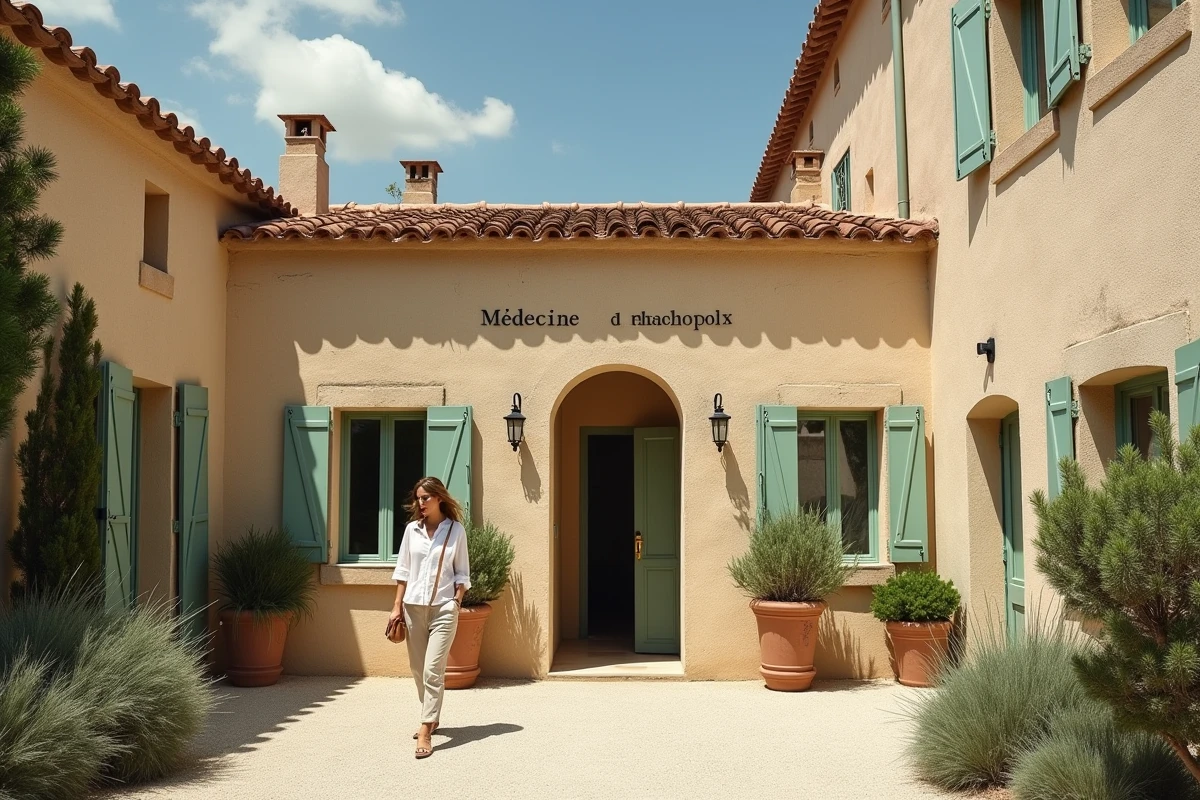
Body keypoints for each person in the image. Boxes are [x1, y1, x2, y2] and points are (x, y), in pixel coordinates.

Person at [389, 476, 471, 759]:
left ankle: (425, 729)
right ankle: (432, 715)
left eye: (425, 498)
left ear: (439, 498)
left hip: (444, 609)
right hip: (412, 608)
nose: (420, 503)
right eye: (418, 498)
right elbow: (403, 571)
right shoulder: (412, 530)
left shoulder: (455, 530)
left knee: (432, 670)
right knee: (416, 668)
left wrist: (455, 603)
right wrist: (396, 607)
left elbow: (463, 573)